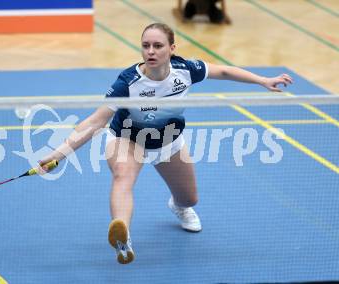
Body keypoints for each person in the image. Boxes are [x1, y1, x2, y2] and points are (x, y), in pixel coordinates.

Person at [38, 22, 293, 264]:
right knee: (122, 176)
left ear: (172, 48)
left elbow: (224, 71)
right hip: (128, 138)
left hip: (167, 140)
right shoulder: (128, 83)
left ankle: (178, 207)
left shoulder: (186, 70)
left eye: (157, 46)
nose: (150, 51)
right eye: (145, 45)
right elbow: (95, 121)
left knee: (190, 199)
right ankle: (122, 236)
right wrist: (59, 153)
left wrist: (262, 80)